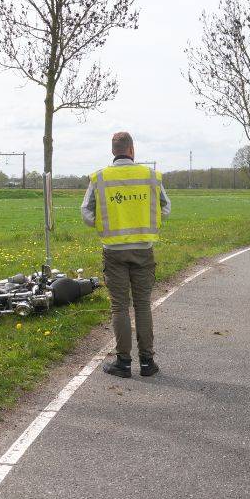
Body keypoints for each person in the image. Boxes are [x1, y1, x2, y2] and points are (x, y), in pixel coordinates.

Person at [81, 131, 170, 378]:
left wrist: (103, 226)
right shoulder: (151, 176)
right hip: (144, 250)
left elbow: (86, 213)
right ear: (132, 150)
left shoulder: (99, 178)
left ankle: (123, 362)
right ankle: (147, 362)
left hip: (113, 251)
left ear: (113, 151)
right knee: (143, 305)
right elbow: (166, 208)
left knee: (119, 306)